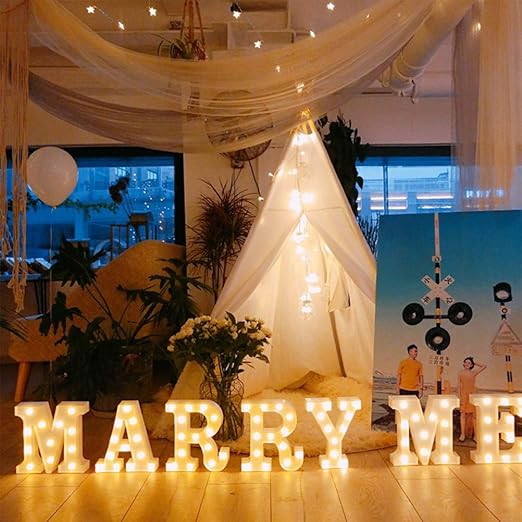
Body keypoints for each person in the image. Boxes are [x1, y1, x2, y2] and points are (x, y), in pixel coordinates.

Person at [458, 356, 487, 442]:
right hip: (464, 395)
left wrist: (475, 362)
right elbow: (458, 385)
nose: (467, 364)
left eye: (469, 363)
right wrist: (459, 396)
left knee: (474, 416)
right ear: (463, 363)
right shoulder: (460, 373)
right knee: (463, 415)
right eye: (465, 362)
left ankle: (476, 435)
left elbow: (484, 366)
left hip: (472, 395)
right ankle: (462, 434)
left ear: (471, 365)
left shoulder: (473, 373)